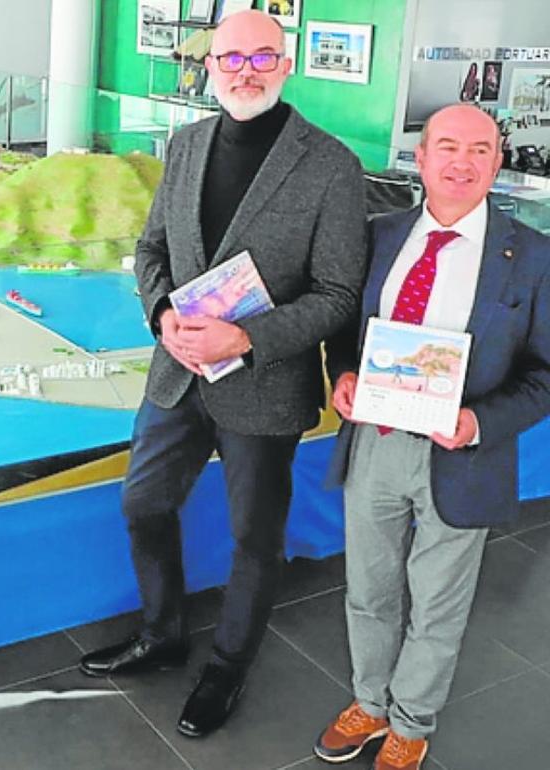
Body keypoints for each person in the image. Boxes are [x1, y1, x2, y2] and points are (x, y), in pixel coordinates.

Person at [77, 9, 367, 738]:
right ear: (209, 67)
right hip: (176, 373)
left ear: (286, 64)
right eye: (231, 58)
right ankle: (163, 632)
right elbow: (151, 253)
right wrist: (161, 317)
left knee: (254, 538)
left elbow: (337, 295)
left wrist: (246, 334)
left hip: (264, 387)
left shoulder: (330, 165)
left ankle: (228, 666)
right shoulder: (185, 145)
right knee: (143, 504)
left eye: (262, 58)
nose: (245, 70)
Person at [314, 104, 550, 770]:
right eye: (447, 146)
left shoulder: (532, 257)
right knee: (369, 588)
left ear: (497, 162)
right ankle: (371, 701)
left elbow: (546, 373)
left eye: (481, 150)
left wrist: (480, 421)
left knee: (439, 602)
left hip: (463, 453)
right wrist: (346, 374)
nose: (463, 162)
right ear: (420, 159)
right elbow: (343, 330)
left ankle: (412, 721)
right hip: (378, 442)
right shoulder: (377, 235)